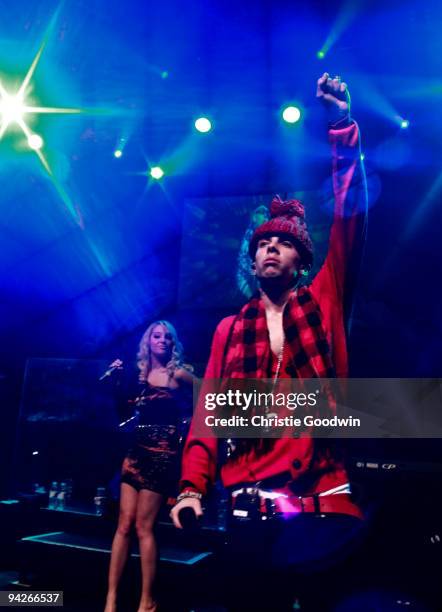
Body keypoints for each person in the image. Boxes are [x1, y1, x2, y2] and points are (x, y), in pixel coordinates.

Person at [170, 73, 368, 611]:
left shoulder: (324, 302)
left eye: (284, 243)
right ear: (252, 260)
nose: (272, 249)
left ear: (302, 261)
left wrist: (341, 129)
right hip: (248, 507)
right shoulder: (229, 330)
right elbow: (209, 415)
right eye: (264, 244)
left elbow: (352, 221)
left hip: (321, 502)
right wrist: (191, 486)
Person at [105, 321, 194, 612]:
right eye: (157, 336)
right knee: (123, 525)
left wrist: (186, 433)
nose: (162, 340)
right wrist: (117, 383)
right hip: (135, 452)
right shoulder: (139, 375)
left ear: (173, 343)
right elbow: (123, 415)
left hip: (161, 454)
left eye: (168, 337)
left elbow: (210, 397)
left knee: (144, 527)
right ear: (148, 341)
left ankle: (147, 601)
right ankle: (112, 599)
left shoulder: (178, 374)